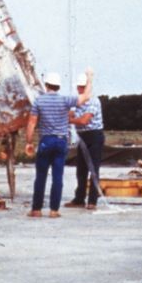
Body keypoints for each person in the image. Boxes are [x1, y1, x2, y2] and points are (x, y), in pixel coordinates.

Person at [25, 68, 93, 218]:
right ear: (59, 86)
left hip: (45, 141)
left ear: (47, 84)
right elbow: (86, 96)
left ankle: (36, 209)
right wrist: (89, 77)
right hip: (61, 141)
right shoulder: (65, 100)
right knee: (58, 177)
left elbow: (31, 123)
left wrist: (29, 142)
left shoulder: (39, 101)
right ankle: (54, 210)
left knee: (41, 176)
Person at [65, 73, 105, 210]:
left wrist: (69, 120)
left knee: (93, 169)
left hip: (94, 136)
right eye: (79, 87)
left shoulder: (94, 101)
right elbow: (70, 112)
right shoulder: (78, 101)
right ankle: (79, 198)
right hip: (82, 136)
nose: (80, 89)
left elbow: (84, 120)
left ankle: (92, 200)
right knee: (81, 170)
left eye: (82, 87)